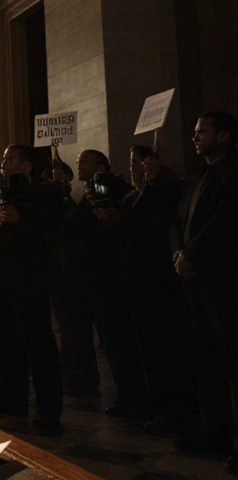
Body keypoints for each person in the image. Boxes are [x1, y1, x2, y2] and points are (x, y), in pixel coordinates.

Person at [0, 144, 63, 434]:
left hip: (28, 280)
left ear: (26, 166)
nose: (4, 163)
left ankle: (49, 411)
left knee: (38, 346)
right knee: (5, 342)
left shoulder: (44, 193)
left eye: (10, 159)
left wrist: (19, 220)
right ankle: (12, 397)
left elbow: (50, 236)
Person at [171, 111, 238, 474]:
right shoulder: (198, 175)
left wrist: (191, 254)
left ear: (224, 136)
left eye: (203, 131)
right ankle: (215, 432)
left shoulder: (234, 173)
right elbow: (177, 220)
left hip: (223, 281)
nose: (195, 136)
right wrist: (178, 254)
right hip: (192, 280)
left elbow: (225, 223)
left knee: (232, 363)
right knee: (205, 360)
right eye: (195, 131)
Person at [69, 149, 145, 416]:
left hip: (110, 278)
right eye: (78, 162)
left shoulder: (112, 188)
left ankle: (134, 395)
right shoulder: (87, 192)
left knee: (119, 339)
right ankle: (126, 392)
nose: (79, 165)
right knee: (109, 341)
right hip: (92, 278)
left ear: (101, 165)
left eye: (85, 161)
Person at [122, 145, 192, 434]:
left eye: (139, 162)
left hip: (160, 281)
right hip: (138, 281)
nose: (133, 168)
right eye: (131, 163)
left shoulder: (168, 191)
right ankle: (155, 401)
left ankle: (176, 410)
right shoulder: (133, 196)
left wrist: (153, 184)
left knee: (167, 347)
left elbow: (162, 223)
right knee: (147, 347)